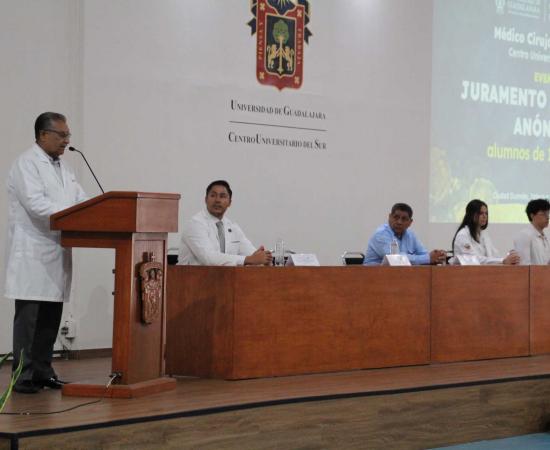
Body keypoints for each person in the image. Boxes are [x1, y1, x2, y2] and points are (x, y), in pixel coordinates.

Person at [5, 112, 87, 394]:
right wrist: (73, 216)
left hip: (56, 248)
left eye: (68, 136)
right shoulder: (27, 163)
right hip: (33, 252)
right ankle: (23, 375)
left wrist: (92, 213)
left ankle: (42, 371)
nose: (66, 141)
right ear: (42, 135)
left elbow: (80, 200)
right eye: (61, 135)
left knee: (51, 316)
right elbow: (36, 205)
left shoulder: (64, 167)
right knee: (29, 319)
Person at [179, 180, 272, 266]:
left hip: (223, 280)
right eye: (213, 195)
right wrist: (247, 259)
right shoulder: (195, 224)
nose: (217, 200)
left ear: (229, 202)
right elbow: (208, 258)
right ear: (205, 199)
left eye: (222, 196)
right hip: (191, 280)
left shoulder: (232, 227)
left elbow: (251, 254)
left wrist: (263, 259)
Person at [364, 203, 446, 265]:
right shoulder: (381, 234)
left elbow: (423, 254)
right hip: (372, 277)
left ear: (410, 222)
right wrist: (428, 258)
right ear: (389, 217)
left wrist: (437, 256)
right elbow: (395, 260)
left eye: (404, 219)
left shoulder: (410, 235)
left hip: (398, 277)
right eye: (396, 217)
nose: (399, 222)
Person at [452, 199, 520, 265]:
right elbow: (473, 259)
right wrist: (503, 260)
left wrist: (509, 257)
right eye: (481, 213)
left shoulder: (484, 234)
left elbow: (494, 255)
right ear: (471, 215)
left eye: (486, 213)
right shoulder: (463, 235)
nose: (484, 216)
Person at [513, 199, 550, 265]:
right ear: (532, 216)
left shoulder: (544, 237)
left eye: (548, 213)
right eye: (543, 214)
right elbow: (523, 265)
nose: (547, 217)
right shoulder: (525, 235)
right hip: (532, 275)